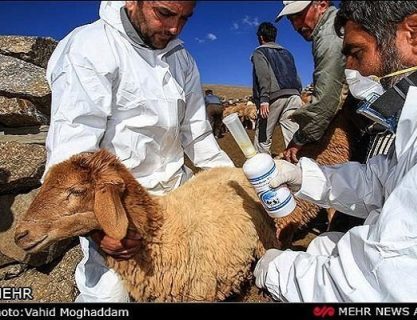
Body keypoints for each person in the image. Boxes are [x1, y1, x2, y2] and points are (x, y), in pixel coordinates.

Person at [254, 0, 417, 302]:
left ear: (415, 33)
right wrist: (304, 177)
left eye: (357, 53)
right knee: (323, 247)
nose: (349, 69)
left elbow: (388, 285)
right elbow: (381, 182)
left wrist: (275, 270)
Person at [44, 0, 234, 302]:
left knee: (191, 282)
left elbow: (197, 135)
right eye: (165, 13)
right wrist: (100, 229)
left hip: (175, 197)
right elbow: (72, 153)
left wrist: (236, 182)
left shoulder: (182, 59)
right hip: (118, 207)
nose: (175, 28)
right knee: (111, 296)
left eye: (185, 18)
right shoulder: (89, 48)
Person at [276, 1, 348, 163]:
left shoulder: (329, 35)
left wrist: (301, 138)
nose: (295, 26)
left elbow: (329, 96)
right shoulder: (336, 25)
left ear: (322, 4)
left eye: (299, 16)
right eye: (291, 20)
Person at [251, 22, 302, 155]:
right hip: (294, 95)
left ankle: (264, 168)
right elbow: (295, 74)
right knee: (292, 133)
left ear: (261, 37)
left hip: (274, 97)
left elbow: (264, 75)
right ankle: (300, 166)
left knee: (263, 135)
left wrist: (264, 99)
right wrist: (298, 93)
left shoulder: (259, 51)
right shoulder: (287, 53)